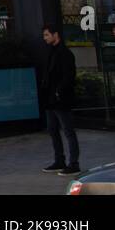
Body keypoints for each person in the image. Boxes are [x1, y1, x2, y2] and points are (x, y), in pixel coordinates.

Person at [41, 24, 81, 176]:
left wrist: (59, 92)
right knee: (53, 130)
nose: (45, 38)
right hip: (51, 99)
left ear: (55, 34)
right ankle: (59, 160)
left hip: (60, 99)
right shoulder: (52, 52)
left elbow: (69, 76)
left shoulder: (64, 53)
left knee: (68, 131)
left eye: (46, 35)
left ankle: (74, 163)